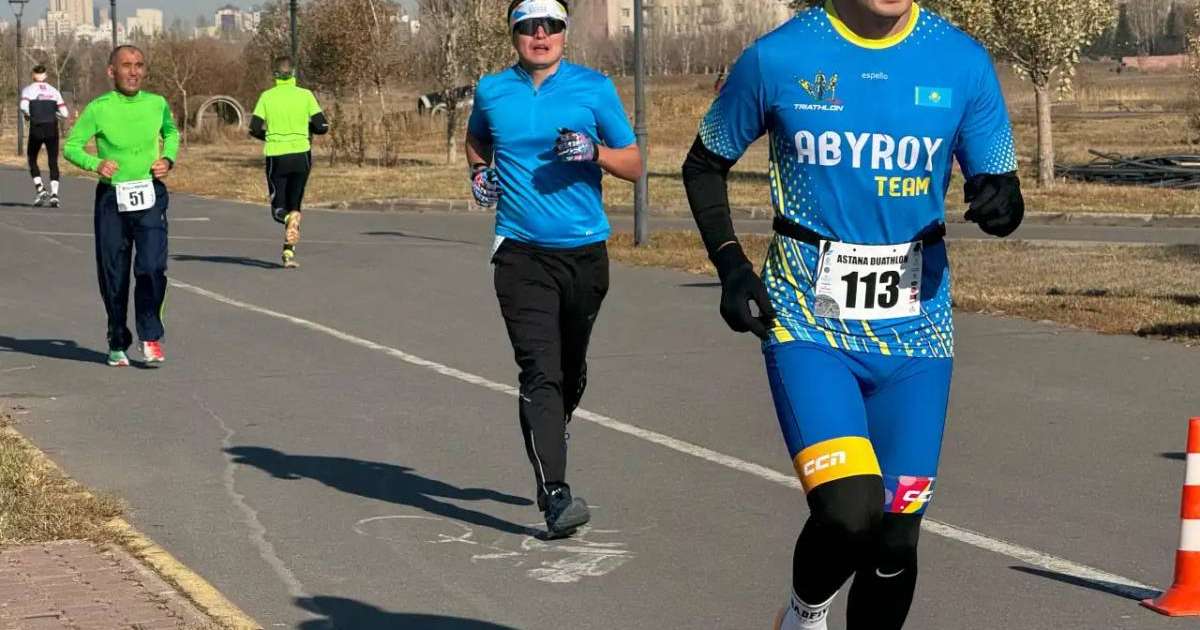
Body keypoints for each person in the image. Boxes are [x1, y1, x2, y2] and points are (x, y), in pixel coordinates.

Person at [681, 1, 1024, 628]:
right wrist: (731, 265)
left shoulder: (962, 61)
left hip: (919, 332)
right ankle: (804, 614)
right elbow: (704, 164)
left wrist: (1002, 203)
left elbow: (998, 183)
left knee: (895, 540)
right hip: (808, 321)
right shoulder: (779, 56)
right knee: (848, 511)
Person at [465, 0, 643, 538]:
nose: (540, 34)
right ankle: (556, 495)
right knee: (540, 371)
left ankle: (551, 427)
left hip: (585, 255)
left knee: (569, 370)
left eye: (551, 26)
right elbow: (477, 141)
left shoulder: (594, 89)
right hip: (520, 254)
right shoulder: (492, 90)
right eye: (528, 26)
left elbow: (634, 163)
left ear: (565, 33)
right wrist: (480, 175)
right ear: (514, 34)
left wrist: (595, 152)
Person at [64, 45, 179, 368]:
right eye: (126, 65)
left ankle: (150, 334)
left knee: (152, 266)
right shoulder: (99, 108)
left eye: (139, 65)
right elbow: (71, 147)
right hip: (112, 199)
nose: (134, 71)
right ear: (111, 71)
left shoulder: (157, 104)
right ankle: (117, 338)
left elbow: (171, 133)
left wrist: (168, 159)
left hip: (150, 194)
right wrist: (96, 163)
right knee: (113, 273)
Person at [248, 56, 329, 269]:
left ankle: (287, 225)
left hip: (277, 156)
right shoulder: (306, 95)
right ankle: (288, 252)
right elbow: (322, 127)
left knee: (279, 209)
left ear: (274, 74)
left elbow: (254, 128)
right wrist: (305, 129)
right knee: (295, 207)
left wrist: (270, 136)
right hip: (302, 155)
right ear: (293, 73)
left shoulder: (267, 97)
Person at [20, 65, 69, 208]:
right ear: (46, 76)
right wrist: (55, 114)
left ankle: (40, 189)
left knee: (32, 158)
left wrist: (29, 115)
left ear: (33, 75)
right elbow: (65, 113)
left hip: (37, 128)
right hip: (52, 128)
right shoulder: (54, 91)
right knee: (53, 161)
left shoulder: (28, 90)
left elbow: (23, 106)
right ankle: (54, 195)